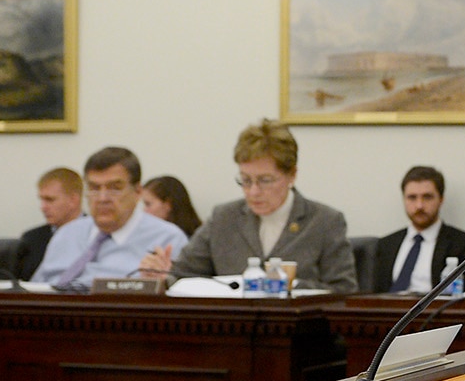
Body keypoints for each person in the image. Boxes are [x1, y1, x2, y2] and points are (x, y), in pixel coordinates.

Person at [142, 120, 358, 294]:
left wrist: (284, 286)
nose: (253, 191)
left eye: (265, 180)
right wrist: (162, 275)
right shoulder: (223, 218)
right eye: (245, 180)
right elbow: (183, 274)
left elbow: (344, 291)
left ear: (291, 175)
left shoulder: (325, 221)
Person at [33, 147, 186, 289]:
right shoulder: (67, 234)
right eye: (94, 188)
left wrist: (161, 284)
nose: (102, 198)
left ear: (138, 192)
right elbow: (32, 290)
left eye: (115, 188)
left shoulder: (167, 239)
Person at [371, 166, 465, 294]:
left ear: (441, 199)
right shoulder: (385, 244)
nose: (419, 205)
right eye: (412, 197)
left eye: (427, 197)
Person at [17, 168, 84, 281]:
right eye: (41, 200)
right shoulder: (31, 239)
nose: (43, 207)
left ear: (73, 200)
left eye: (50, 200)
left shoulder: (99, 234)